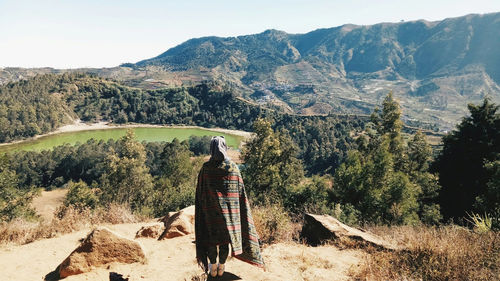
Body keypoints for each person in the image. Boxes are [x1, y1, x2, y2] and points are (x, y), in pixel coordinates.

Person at [195, 136, 265, 277]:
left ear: (212, 149)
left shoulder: (206, 168)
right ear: (225, 148)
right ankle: (221, 267)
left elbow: (200, 191)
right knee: (224, 242)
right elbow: (239, 193)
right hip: (229, 216)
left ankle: (213, 267)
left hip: (210, 213)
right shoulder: (233, 168)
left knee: (211, 240)